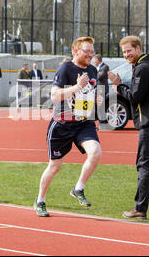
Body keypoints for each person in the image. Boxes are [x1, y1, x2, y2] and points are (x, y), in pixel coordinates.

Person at [34, 36, 102, 217]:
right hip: (62, 124)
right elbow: (55, 95)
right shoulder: (66, 69)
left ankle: (78, 189)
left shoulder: (93, 70)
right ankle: (40, 200)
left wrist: (96, 99)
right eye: (86, 51)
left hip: (83, 123)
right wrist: (76, 87)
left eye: (92, 52)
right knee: (55, 166)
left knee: (95, 152)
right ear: (75, 51)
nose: (90, 55)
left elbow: (88, 96)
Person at [108, 35, 149, 219]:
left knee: (144, 165)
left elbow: (136, 96)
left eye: (129, 51)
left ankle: (140, 208)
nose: (126, 55)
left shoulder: (142, 68)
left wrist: (119, 86)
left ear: (138, 49)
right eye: (124, 52)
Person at [92, 54, 110, 129]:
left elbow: (100, 76)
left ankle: (102, 124)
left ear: (97, 60)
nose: (93, 62)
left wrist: (94, 75)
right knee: (98, 107)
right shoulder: (98, 68)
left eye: (94, 60)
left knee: (100, 107)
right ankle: (101, 123)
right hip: (98, 89)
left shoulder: (105, 67)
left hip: (102, 89)